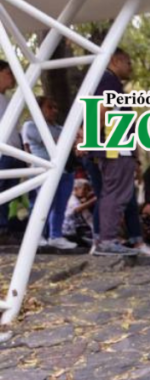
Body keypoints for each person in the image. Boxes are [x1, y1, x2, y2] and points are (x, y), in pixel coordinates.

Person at [92, 48, 143, 257]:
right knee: (114, 194)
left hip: (117, 147)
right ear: (115, 60)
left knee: (116, 193)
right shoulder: (109, 82)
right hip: (115, 147)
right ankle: (107, 241)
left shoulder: (111, 83)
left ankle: (107, 239)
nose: (130, 67)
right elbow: (101, 111)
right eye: (128, 62)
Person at [21, 96, 76, 250]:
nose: (54, 111)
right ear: (39, 109)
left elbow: (71, 143)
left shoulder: (59, 128)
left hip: (64, 171)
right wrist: (68, 140)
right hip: (42, 171)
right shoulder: (30, 125)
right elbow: (53, 141)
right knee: (41, 204)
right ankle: (36, 236)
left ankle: (55, 236)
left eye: (55, 108)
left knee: (60, 205)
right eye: (49, 107)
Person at [0, 60, 24, 236]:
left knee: (9, 196)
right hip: (3, 154)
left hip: (15, 154)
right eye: (9, 73)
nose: (12, 78)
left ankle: (3, 229)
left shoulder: (8, 100)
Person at [60, 179, 96, 247]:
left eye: (88, 190)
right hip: (68, 231)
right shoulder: (71, 198)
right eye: (85, 189)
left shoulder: (79, 199)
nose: (87, 192)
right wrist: (93, 200)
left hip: (77, 230)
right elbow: (77, 209)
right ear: (76, 189)